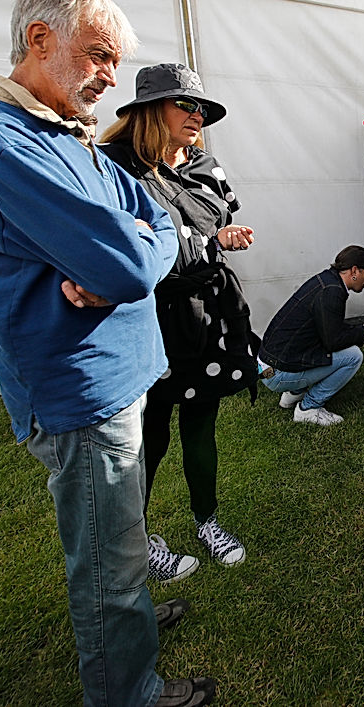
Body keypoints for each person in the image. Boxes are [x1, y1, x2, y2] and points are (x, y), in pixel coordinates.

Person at [0, 0, 213, 705]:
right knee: (106, 563)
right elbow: (132, 258)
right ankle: (129, 688)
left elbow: (156, 222)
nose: (108, 76)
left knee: (117, 542)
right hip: (81, 392)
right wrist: (132, 254)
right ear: (39, 40)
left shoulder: (64, 130)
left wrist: (135, 251)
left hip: (115, 377)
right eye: (98, 55)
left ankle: (123, 625)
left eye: (115, 61)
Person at [99, 63, 258, 578]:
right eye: (184, 105)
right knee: (144, 437)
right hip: (149, 319)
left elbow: (220, 218)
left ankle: (207, 520)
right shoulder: (115, 167)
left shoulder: (206, 165)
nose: (196, 115)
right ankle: (135, 540)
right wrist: (206, 244)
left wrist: (221, 239)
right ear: (150, 110)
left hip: (209, 315)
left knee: (200, 424)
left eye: (201, 108)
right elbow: (131, 250)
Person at [259, 246, 364, 425]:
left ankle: (294, 394)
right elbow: (333, 341)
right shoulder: (332, 292)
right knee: (353, 357)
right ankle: (308, 408)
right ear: (355, 270)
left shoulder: (326, 281)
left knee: (315, 344)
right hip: (278, 374)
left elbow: (329, 327)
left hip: (267, 366)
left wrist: (360, 329)